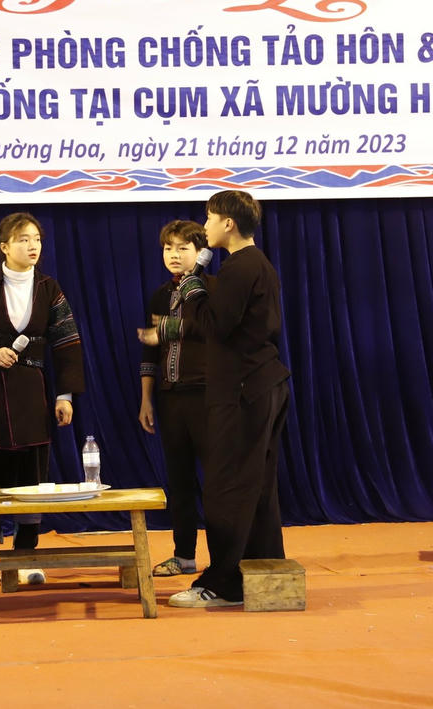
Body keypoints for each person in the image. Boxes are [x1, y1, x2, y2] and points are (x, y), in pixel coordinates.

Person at [138, 190, 291, 608]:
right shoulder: (252, 265)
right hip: (260, 385)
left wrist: (192, 287)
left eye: (209, 218)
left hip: (244, 389)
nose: (205, 226)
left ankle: (224, 583)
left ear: (228, 223)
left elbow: (216, 326)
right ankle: (258, 573)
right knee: (255, 488)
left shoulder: (240, 267)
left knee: (228, 489)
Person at [0, 212, 84, 582]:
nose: (33, 245)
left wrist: (65, 395)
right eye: (23, 239)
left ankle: (26, 557)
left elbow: (68, 342)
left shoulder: (49, 288)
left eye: (36, 238)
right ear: (4, 247)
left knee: (32, 477)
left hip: (33, 394)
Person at [138, 220, 212, 578]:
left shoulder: (211, 290)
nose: (174, 254)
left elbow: (213, 332)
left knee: (215, 482)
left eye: (183, 247)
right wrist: (146, 399)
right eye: (169, 247)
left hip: (207, 396)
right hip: (170, 398)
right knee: (179, 481)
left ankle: (226, 557)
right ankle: (184, 556)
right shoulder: (159, 296)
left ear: (200, 252)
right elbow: (149, 353)